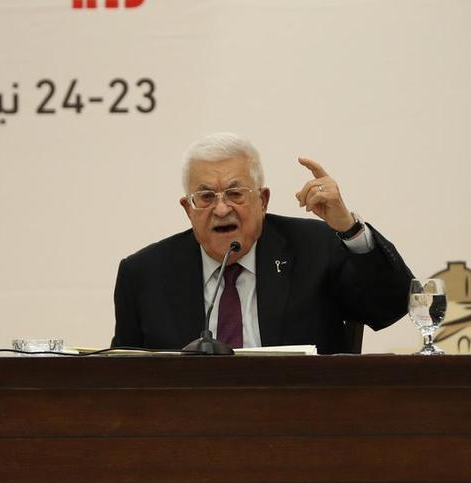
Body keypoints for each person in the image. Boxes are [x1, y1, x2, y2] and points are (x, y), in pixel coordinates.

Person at [112, 132, 412, 354]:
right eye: (205, 197)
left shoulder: (316, 249)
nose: (221, 209)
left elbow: (392, 305)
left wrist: (349, 228)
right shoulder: (144, 275)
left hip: (301, 416)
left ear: (263, 200)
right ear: (188, 209)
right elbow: (121, 380)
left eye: (235, 194)